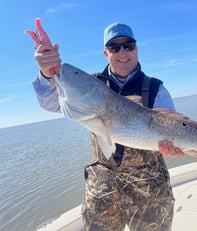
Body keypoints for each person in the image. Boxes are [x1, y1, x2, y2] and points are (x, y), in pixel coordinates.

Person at [32, 22, 184, 231]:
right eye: (114, 47)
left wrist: (173, 147)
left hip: (151, 184)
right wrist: (48, 73)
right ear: (106, 53)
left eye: (128, 45)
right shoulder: (92, 83)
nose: (122, 52)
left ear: (136, 49)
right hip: (104, 184)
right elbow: (52, 101)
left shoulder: (156, 88)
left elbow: (173, 124)